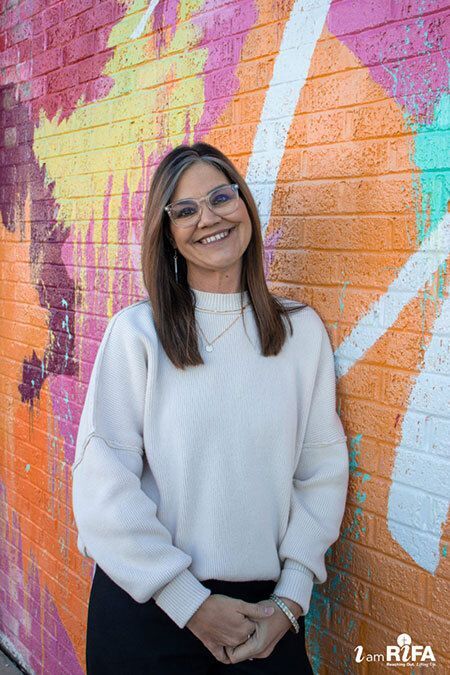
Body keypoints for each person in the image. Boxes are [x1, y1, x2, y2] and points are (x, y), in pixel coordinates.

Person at [71, 142, 349, 674]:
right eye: (185, 210)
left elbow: (322, 473)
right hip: (151, 610)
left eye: (221, 197)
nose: (209, 218)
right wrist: (188, 602)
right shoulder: (137, 335)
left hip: (264, 617)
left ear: (244, 204)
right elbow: (102, 486)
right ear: (168, 233)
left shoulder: (300, 333)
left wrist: (290, 600)